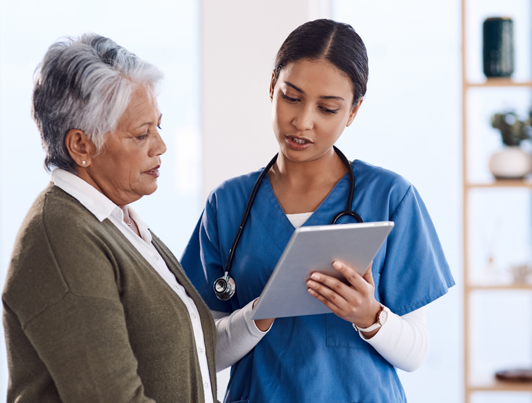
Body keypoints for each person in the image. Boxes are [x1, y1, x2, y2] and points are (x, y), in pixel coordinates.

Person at [181, 19, 455, 402]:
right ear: (271, 84)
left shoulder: (391, 197)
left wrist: (369, 316)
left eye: (327, 108)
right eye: (291, 97)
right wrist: (258, 314)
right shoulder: (227, 205)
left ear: (354, 111)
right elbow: (201, 353)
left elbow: (416, 352)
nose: (302, 121)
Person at [3, 33, 233, 402]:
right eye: (142, 134)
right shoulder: (62, 236)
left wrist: (259, 317)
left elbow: (184, 349)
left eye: (158, 126)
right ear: (81, 145)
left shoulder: (119, 223)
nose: (160, 146)